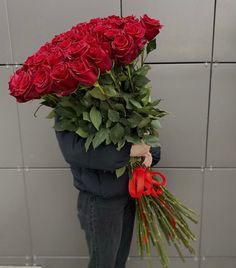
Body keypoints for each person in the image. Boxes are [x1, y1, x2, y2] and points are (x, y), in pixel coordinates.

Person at [54, 115, 161, 268]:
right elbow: (74, 151)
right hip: (101, 201)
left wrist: (149, 150)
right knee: (103, 264)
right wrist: (128, 152)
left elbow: (148, 131)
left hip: (128, 193)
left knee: (119, 262)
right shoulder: (71, 99)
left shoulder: (128, 92)